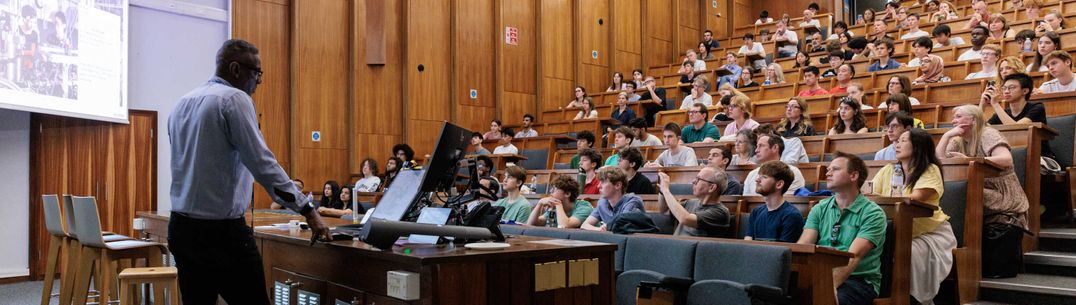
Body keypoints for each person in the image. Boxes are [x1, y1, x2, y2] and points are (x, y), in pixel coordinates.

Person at [167, 39, 329, 304]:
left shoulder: (182, 103)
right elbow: (262, 163)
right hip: (220, 235)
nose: (258, 82)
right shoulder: (234, 99)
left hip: (182, 229)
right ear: (235, 69)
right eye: (257, 73)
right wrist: (307, 209)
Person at [867, 128, 955, 304]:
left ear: (917, 146)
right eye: (897, 141)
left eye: (903, 141)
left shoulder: (930, 169)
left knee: (907, 252)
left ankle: (908, 299)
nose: (897, 144)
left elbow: (914, 200)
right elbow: (870, 195)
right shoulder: (888, 170)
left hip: (930, 233)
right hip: (893, 230)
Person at [798, 152, 887, 305]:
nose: (828, 172)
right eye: (828, 169)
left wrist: (828, 287)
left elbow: (853, 256)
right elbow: (804, 246)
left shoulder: (873, 213)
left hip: (857, 280)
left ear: (853, 176)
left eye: (835, 169)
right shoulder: (820, 208)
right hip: (820, 274)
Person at [936, 105, 1029, 245]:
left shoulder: (988, 133)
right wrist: (946, 135)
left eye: (958, 117)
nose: (953, 121)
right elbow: (939, 160)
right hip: (977, 187)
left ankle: (966, 247)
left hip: (1001, 193)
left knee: (961, 193)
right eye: (954, 117)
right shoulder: (957, 140)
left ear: (973, 120)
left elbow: (1006, 159)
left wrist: (969, 161)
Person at [984, 73, 1054, 158]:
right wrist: (982, 103)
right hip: (1012, 157)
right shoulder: (1002, 113)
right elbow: (981, 128)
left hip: (1040, 158)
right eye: (1004, 88)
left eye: (1012, 88)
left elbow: (1017, 130)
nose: (1006, 91)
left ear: (1025, 91)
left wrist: (995, 104)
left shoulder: (1037, 107)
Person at [657, 166, 730, 237]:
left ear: (712, 187)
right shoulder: (691, 202)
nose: (693, 181)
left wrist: (666, 190)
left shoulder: (720, 213)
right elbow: (665, 210)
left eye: (698, 179)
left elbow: (685, 219)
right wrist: (662, 191)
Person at [744, 161, 805, 242]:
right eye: (759, 176)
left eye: (764, 177)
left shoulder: (791, 215)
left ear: (779, 184)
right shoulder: (756, 212)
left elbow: (782, 252)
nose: (757, 180)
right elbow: (747, 242)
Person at [581, 167, 645, 231]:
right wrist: (599, 229)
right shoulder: (602, 203)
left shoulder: (633, 201)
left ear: (618, 185)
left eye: (603, 182)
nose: (598, 186)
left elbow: (621, 224)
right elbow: (585, 225)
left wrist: (606, 227)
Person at [527, 175, 594, 228]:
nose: (550, 192)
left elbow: (565, 225)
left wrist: (558, 204)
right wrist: (539, 204)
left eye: (554, 190)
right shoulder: (555, 208)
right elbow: (531, 224)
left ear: (567, 194)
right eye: (551, 189)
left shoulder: (584, 207)